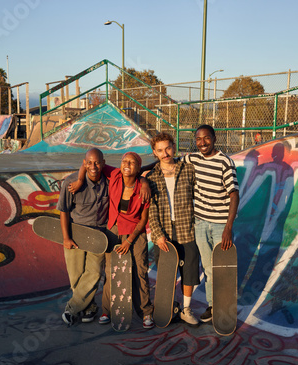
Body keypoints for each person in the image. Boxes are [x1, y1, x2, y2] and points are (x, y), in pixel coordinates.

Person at [69, 152, 154, 329]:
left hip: (135, 233)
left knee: (140, 271)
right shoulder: (115, 175)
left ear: (138, 168)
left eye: (132, 162)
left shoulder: (143, 188)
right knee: (111, 270)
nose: (127, 164)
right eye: (124, 161)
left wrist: (129, 241)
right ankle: (107, 310)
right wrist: (79, 180)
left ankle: (146, 312)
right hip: (113, 230)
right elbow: (88, 164)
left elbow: (143, 220)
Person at [183, 124, 239, 323]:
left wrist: (228, 228)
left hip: (219, 225)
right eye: (198, 139)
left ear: (214, 139)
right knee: (208, 267)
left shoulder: (225, 162)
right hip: (200, 222)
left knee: (221, 267)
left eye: (206, 138)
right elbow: (169, 162)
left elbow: (234, 195)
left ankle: (223, 305)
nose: (202, 143)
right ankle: (213, 305)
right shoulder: (193, 158)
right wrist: (142, 172)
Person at [146, 132, 200, 327]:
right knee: (167, 272)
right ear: (154, 152)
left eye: (168, 148)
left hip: (187, 229)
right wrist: (157, 235)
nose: (165, 153)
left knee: (189, 271)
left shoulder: (188, 169)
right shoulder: (151, 177)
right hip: (165, 233)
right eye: (160, 150)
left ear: (173, 146)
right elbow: (152, 209)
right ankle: (168, 307)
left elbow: (199, 196)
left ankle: (186, 309)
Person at [57, 147, 108, 326]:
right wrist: (66, 238)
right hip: (76, 233)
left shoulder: (109, 180)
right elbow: (63, 210)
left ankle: (71, 310)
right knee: (76, 277)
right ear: (84, 163)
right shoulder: (71, 183)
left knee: (93, 273)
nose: (93, 166)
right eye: (89, 162)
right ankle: (89, 307)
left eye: (97, 162)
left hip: (98, 235)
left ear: (103, 163)